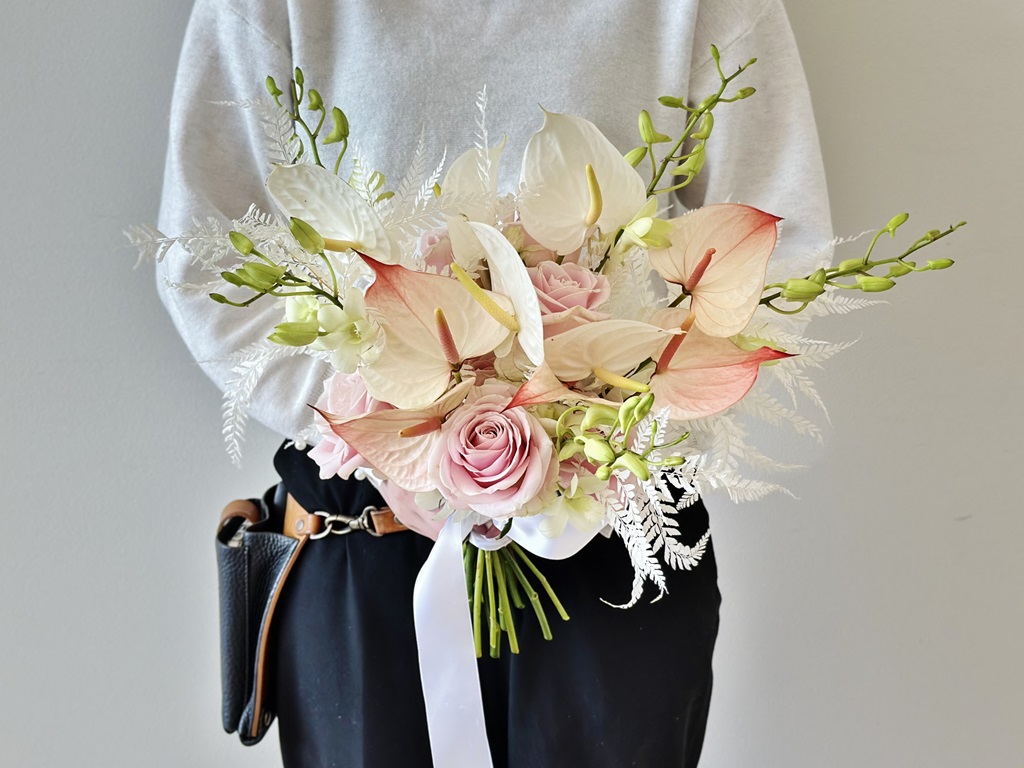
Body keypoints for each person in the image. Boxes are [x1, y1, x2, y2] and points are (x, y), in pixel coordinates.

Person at [158, 1, 831, 765]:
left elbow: (779, 254)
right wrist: (399, 427)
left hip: (606, 529)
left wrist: (583, 426)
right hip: (364, 538)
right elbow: (205, 260)